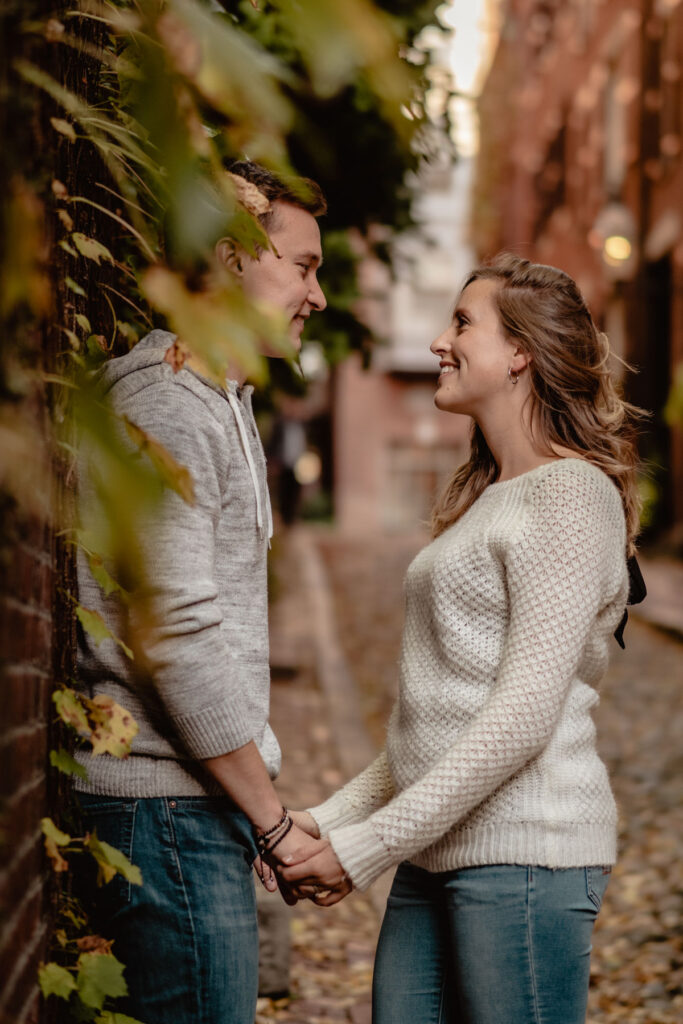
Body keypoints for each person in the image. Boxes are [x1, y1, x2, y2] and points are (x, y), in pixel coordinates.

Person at [282, 254, 644, 1024]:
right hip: (432, 851)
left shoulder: (569, 495)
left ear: (519, 354)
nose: (437, 342)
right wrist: (330, 818)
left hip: (524, 856)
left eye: (461, 323)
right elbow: (434, 726)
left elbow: (521, 716)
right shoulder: (488, 496)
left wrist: (363, 848)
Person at [75, 160, 330, 1024]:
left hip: (186, 810)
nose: (316, 295)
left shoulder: (216, 401)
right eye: (303, 266)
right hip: (163, 813)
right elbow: (174, 631)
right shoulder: (169, 404)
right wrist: (271, 818)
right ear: (229, 258)